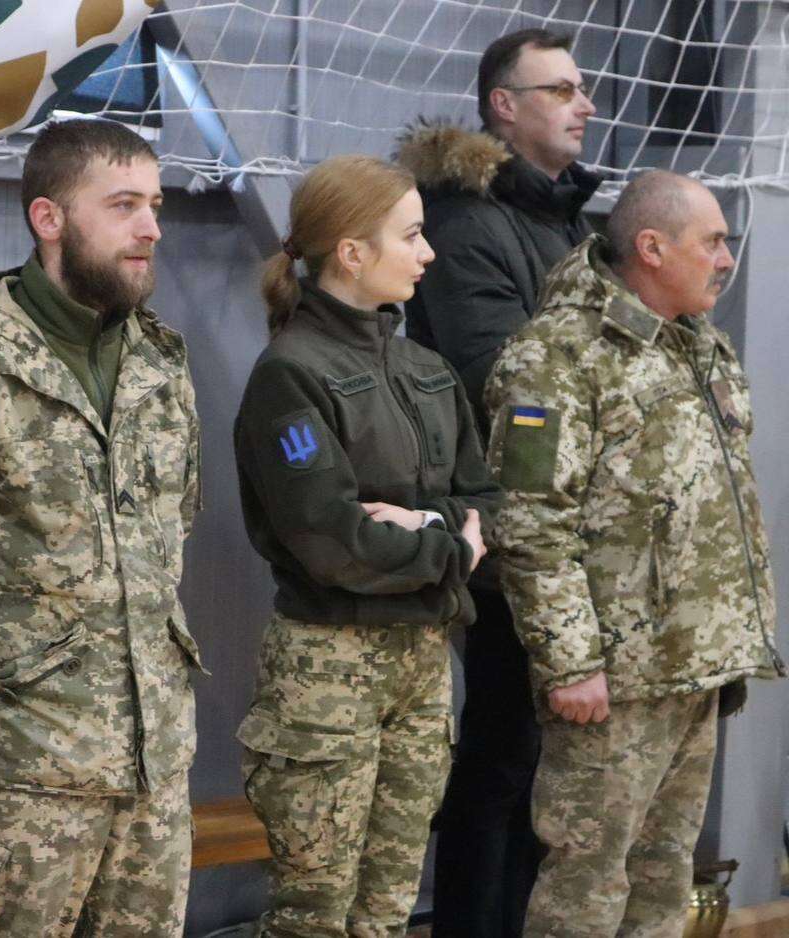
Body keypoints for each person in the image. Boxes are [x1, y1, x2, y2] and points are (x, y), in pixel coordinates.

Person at [0, 118, 203, 937]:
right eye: (124, 205)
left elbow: (170, 533)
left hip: (156, 765)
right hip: (27, 772)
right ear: (49, 218)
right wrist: (8, 690)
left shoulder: (159, 363)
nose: (151, 228)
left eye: (156, 205)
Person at [485, 170, 784, 937]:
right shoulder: (556, 358)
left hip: (693, 663)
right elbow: (530, 524)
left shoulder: (696, 344)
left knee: (662, 881)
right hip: (614, 676)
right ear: (652, 247)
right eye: (712, 241)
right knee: (585, 886)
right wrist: (569, 663)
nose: (726, 258)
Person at [232, 155, 502, 938]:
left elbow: (488, 504)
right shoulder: (291, 374)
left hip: (420, 662)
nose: (429, 253)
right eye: (411, 235)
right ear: (351, 252)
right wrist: (451, 546)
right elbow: (332, 541)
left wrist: (424, 525)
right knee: (313, 912)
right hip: (328, 667)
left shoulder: (427, 371)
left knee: (386, 908)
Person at [393, 29, 601, 935]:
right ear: (502, 107)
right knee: (502, 759)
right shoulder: (468, 222)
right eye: (559, 89)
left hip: (569, 527)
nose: (583, 104)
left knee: (549, 767)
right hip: (509, 534)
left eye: (582, 88)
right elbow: (508, 385)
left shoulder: (568, 220)